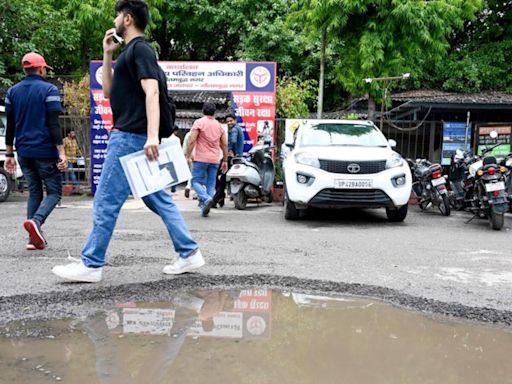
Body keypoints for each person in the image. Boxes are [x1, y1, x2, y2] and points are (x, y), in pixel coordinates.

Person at [52, 0, 203, 283]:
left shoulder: (141, 49)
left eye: (118, 15)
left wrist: (151, 136)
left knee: (106, 200)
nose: (116, 19)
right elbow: (107, 92)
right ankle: (189, 252)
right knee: (156, 199)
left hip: (130, 137)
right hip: (133, 136)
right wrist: (108, 54)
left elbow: (152, 92)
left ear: (128, 19)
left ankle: (91, 263)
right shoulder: (127, 53)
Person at [3, 52, 67, 251]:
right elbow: (53, 124)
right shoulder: (49, 90)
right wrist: (62, 152)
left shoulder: (12, 92)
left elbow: (10, 126)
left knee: (35, 192)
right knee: (55, 192)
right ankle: (36, 222)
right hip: (45, 150)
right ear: (40, 69)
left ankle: (32, 239)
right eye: (45, 69)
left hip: (24, 152)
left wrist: (9, 154)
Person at [186, 102, 228, 217]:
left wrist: (188, 155)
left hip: (200, 158)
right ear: (214, 112)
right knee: (211, 183)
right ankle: (205, 207)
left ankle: (205, 199)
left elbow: (192, 140)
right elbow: (224, 144)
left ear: (203, 111)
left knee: (195, 182)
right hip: (215, 159)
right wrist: (225, 160)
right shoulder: (219, 126)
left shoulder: (199, 123)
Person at [212, 113, 244, 207]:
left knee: (219, 177)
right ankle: (220, 198)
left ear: (235, 120)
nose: (229, 123)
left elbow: (233, 141)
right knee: (222, 178)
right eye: (227, 122)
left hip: (231, 158)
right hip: (236, 158)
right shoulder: (238, 128)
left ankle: (216, 200)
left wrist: (229, 150)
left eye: (231, 121)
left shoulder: (234, 129)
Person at [161, 125, 180, 193]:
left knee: (164, 172)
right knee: (174, 173)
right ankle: (173, 187)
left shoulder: (163, 138)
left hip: (164, 157)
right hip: (173, 157)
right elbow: (178, 149)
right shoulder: (176, 139)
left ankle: (163, 187)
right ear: (175, 131)